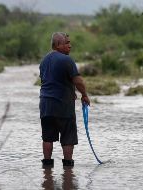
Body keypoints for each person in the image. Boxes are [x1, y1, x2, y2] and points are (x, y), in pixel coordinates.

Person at [39, 32, 90, 167]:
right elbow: (78, 80)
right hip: (63, 105)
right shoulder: (67, 60)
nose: (70, 46)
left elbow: (49, 81)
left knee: (47, 137)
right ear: (58, 45)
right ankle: (68, 169)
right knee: (68, 137)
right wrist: (84, 95)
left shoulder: (44, 61)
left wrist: (71, 91)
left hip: (45, 105)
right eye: (67, 43)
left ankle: (47, 169)